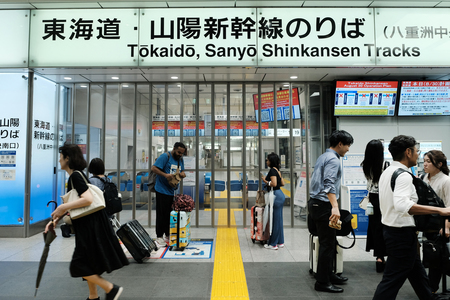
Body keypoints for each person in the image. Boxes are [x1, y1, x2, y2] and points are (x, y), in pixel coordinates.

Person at [45, 143, 129, 300]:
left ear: (67, 158)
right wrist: (57, 217)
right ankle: (93, 296)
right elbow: (77, 202)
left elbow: (87, 199)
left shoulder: (76, 176)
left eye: (61, 156)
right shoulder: (78, 175)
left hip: (90, 226)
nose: (59, 160)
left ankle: (110, 289)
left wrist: (62, 207)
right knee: (89, 263)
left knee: (78, 265)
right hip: (89, 224)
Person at [373, 136, 450, 300]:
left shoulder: (387, 171)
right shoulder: (403, 176)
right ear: (408, 152)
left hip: (393, 230)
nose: (417, 155)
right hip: (401, 234)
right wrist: (439, 211)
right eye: (417, 151)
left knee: (417, 273)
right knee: (391, 281)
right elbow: (403, 205)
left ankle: (428, 297)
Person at [308, 130, 354, 293]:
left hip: (316, 204)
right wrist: (335, 206)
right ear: (340, 144)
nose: (348, 149)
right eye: (348, 145)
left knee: (330, 241)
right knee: (327, 244)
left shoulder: (323, 156)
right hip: (323, 205)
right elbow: (328, 184)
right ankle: (322, 282)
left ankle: (329, 274)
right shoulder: (333, 160)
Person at [422, 150, 450, 294]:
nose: (425, 164)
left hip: (441, 224)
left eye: (428, 161)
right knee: (431, 255)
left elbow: (449, 206)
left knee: (438, 258)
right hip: (428, 223)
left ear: (439, 164)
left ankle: (432, 288)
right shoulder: (424, 178)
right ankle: (431, 287)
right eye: (424, 160)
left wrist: (446, 226)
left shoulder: (446, 180)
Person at [151, 142, 187, 248]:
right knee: (161, 214)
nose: (180, 154)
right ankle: (159, 237)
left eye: (182, 153)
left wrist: (182, 174)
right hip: (161, 190)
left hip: (171, 190)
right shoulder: (165, 156)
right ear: (174, 148)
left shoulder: (180, 160)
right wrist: (165, 175)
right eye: (179, 152)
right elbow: (154, 168)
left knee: (169, 214)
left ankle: (167, 234)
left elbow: (182, 170)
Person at [361, 139, 388, 273]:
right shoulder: (385, 164)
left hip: (372, 198)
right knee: (386, 226)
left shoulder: (365, 164)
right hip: (384, 198)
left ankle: (379, 257)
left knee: (375, 227)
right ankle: (388, 256)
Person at [261, 152, 286, 250]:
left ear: (271, 161)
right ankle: (280, 242)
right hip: (280, 195)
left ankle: (273, 244)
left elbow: (274, 184)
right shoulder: (277, 170)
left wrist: (265, 181)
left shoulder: (272, 171)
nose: (266, 161)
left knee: (275, 220)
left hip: (275, 196)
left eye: (267, 160)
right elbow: (282, 183)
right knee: (279, 220)